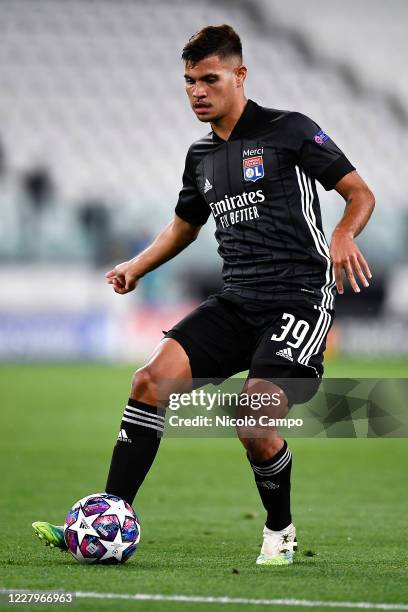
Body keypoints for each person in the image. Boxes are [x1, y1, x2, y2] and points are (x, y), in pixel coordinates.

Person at [33, 24, 374, 565]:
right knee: (148, 381)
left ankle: (279, 532)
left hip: (299, 298)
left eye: (209, 79)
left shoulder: (290, 130)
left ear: (239, 76)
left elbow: (359, 192)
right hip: (236, 301)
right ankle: (109, 516)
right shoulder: (200, 157)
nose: (197, 91)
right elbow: (183, 226)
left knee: (253, 421)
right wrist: (136, 267)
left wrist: (343, 233)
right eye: (189, 81)